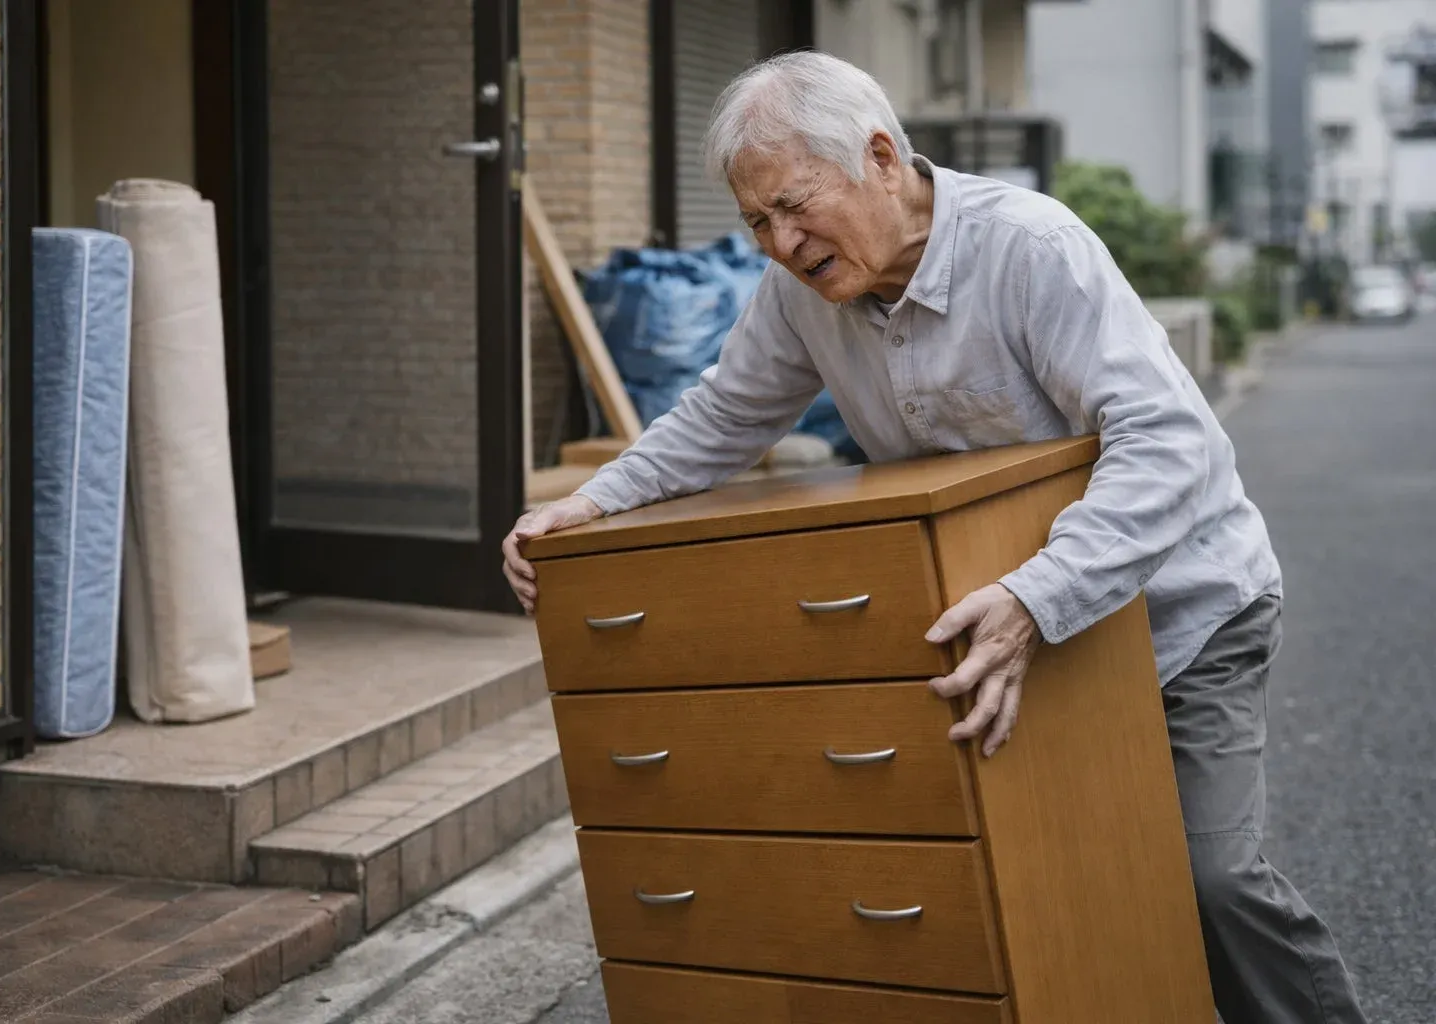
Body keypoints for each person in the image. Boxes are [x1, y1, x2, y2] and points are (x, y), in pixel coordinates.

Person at [501, 51, 1366, 1023]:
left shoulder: (1030, 248)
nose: (779, 243)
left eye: (792, 204)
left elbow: (1170, 443)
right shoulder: (802, 295)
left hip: (1182, 614)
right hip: (1015, 633)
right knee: (1054, 895)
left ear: (879, 156)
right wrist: (595, 501)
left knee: (1207, 882)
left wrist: (1040, 594)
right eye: (754, 223)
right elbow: (719, 418)